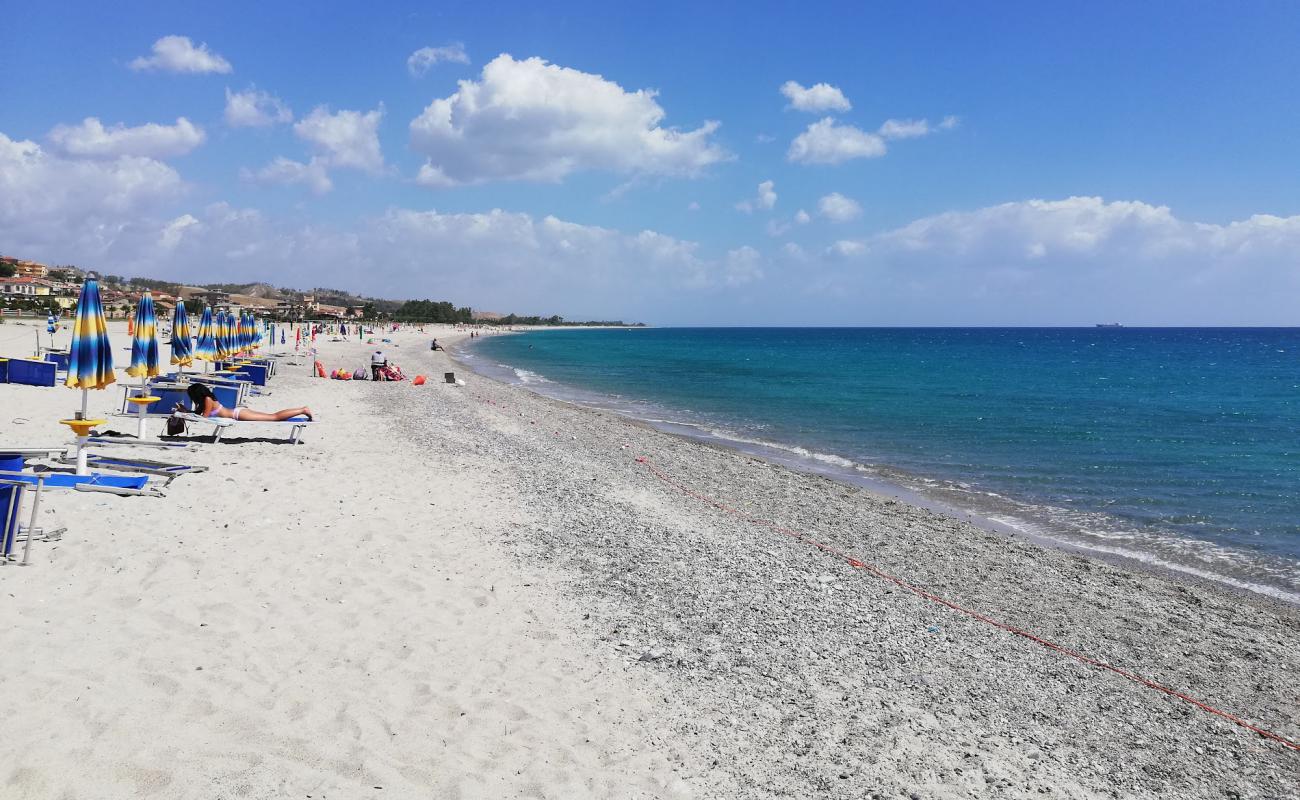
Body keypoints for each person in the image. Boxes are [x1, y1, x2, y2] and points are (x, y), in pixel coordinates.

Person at [185, 383, 312, 422]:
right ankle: (302, 410)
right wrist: (184, 411)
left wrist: (186, 415)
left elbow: (204, 418)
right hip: (238, 412)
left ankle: (302, 410)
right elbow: (198, 414)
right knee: (273, 416)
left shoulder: (207, 400)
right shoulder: (206, 399)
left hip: (238, 414)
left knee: (274, 417)